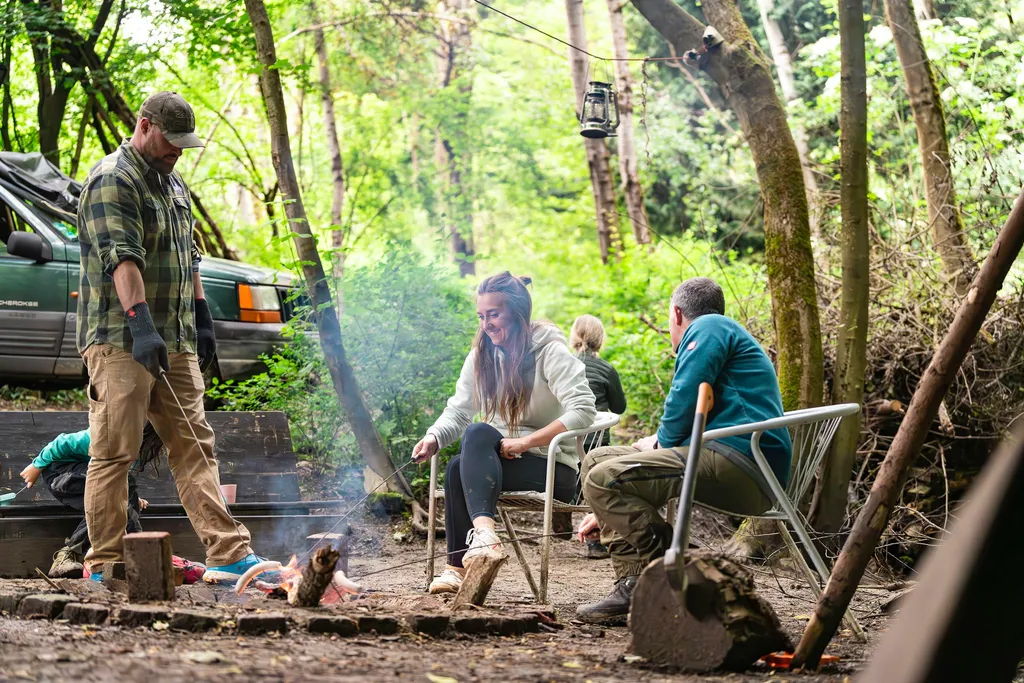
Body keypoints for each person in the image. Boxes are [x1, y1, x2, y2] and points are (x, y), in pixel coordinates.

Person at [77, 91, 270, 584]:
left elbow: (190, 258)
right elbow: (123, 260)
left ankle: (227, 552)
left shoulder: (173, 182)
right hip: (121, 338)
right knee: (115, 452)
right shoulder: (111, 179)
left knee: (195, 446)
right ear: (144, 126)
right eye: (170, 140)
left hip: (177, 337)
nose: (178, 150)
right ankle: (103, 564)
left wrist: (202, 317)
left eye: (184, 143)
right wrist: (141, 326)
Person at [574, 277, 791, 623]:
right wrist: (608, 513)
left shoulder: (709, 326)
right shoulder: (722, 330)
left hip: (740, 461)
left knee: (604, 479)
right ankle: (633, 582)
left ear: (677, 314)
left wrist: (660, 441)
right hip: (730, 456)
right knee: (600, 459)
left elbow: (687, 393)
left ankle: (677, 565)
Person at [412, 272, 597, 595]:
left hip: (554, 467)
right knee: (458, 463)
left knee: (471, 446)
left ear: (517, 312)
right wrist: (434, 437)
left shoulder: (549, 352)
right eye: (481, 316)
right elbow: (459, 410)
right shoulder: (482, 356)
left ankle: (480, 541)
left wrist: (527, 441)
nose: (486, 323)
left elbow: (583, 409)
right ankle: (463, 562)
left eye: (494, 314)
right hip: (499, 461)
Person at [19, 425, 160, 577]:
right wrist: (37, 465)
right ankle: (67, 554)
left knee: (117, 503)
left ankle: (136, 555)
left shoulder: (138, 449)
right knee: (111, 496)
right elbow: (61, 443)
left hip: (94, 480)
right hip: (61, 474)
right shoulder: (106, 436)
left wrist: (128, 495)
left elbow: (121, 479)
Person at [569, 314, 626, 560]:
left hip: (565, 441)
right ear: (600, 340)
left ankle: (561, 512)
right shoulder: (607, 369)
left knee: (572, 466)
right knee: (598, 480)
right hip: (596, 444)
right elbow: (620, 407)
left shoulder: (565, 365)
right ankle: (595, 541)